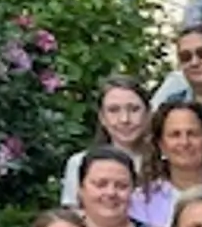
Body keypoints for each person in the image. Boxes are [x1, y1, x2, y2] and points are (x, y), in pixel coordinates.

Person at [61, 76, 150, 207]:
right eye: (114, 110)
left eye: (134, 109)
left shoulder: (165, 162)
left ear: (148, 114)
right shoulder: (79, 162)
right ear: (102, 118)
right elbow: (74, 218)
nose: (124, 119)